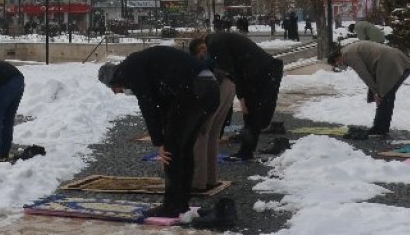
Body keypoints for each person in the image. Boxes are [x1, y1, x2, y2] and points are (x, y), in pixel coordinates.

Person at [98, 46, 219, 219]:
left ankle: (172, 206)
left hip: (194, 89)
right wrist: (164, 133)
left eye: (116, 90)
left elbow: (148, 104)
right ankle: (181, 202)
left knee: (171, 151)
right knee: (184, 150)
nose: (118, 93)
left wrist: (160, 142)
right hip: (210, 88)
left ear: (114, 82)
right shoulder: (142, 65)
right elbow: (162, 105)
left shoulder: (130, 69)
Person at [199, 32, 283, 161]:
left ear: (203, 46)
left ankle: (246, 151)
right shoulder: (220, 38)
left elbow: (234, 71)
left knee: (252, 114)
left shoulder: (215, 44)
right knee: (259, 114)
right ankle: (249, 139)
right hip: (269, 69)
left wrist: (242, 98)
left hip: (257, 74)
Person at [187, 37, 235, 192]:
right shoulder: (212, 60)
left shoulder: (201, 63)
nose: (204, 51)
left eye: (204, 48)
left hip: (218, 87)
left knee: (202, 135)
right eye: (201, 49)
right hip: (225, 84)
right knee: (211, 136)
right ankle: (210, 179)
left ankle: (198, 182)